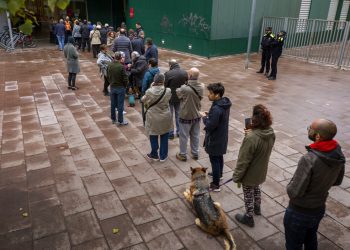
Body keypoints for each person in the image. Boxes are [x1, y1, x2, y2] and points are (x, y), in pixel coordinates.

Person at [284, 119, 345, 250]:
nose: (308, 130)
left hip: (299, 212)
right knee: (311, 239)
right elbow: (337, 181)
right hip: (318, 209)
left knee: (293, 244)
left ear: (317, 136)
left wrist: (289, 185)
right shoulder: (338, 154)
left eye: (310, 128)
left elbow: (294, 192)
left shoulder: (309, 159)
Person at [233, 104, 275, 227]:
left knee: (248, 193)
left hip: (250, 173)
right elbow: (260, 146)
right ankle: (257, 208)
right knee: (256, 188)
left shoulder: (251, 138)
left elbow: (243, 161)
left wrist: (237, 176)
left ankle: (249, 216)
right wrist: (251, 134)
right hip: (261, 170)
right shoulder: (271, 132)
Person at [200, 83, 231, 192]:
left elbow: (210, 125)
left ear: (217, 95)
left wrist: (204, 117)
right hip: (221, 136)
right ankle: (219, 174)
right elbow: (219, 118)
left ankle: (215, 184)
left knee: (214, 159)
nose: (208, 95)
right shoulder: (223, 104)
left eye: (210, 93)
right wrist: (211, 115)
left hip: (215, 138)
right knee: (219, 157)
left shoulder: (217, 108)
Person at [142, 73, 172, 162]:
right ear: (163, 81)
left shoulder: (150, 91)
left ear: (154, 81)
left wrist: (151, 87)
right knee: (164, 135)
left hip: (153, 116)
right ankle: (163, 156)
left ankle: (154, 154)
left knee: (153, 134)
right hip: (165, 115)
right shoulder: (168, 90)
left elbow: (143, 99)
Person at [175, 68, 204, 162]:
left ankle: (183, 154)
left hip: (185, 116)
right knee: (195, 135)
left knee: (184, 136)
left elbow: (178, 93)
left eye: (188, 73)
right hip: (196, 115)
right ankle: (195, 153)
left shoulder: (184, 88)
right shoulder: (202, 86)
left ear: (190, 76)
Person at [164, 59, 188, 139]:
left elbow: (165, 86)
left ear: (170, 65)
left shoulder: (167, 74)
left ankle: (170, 133)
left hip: (170, 97)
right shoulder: (184, 72)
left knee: (170, 115)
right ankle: (179, 132)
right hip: (180, 97)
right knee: (179, 114)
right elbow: (186, 84)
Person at [107, 51, 129, 126]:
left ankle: (113, 119)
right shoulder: (121, 66)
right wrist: (125, 86)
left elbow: (107, 76)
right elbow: (125, 78)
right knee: (120, 105)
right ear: (120, 58)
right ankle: (120, 120)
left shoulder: (109, 65)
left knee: (113, 104)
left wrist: (111, 83)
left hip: (112, 87)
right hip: (120, 87)